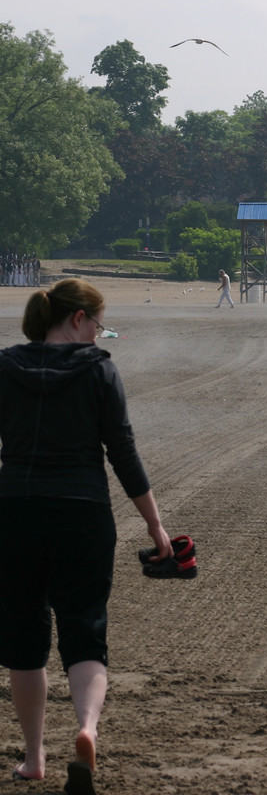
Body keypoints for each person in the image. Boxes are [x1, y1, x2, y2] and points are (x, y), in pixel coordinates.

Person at [0, 278, 173, 793]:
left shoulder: (5, 366)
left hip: (14, 513)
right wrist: (155, 523)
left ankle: (34, 759)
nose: (100, 335)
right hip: (82, 512)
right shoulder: (100, 371)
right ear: (78, 320)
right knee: (85, 628)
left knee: (25, 642)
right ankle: (86, 729)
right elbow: (122, 451)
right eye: (98, 325)